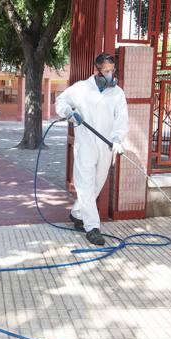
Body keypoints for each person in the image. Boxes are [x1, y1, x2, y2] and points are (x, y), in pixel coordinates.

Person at [55, 53, 129, 246]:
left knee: (97, 183)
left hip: (106, 146)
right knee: (85, 185)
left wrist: (118, 139)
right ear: (97, 70)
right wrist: (70, 113)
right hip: (85, 144)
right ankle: (92, 227)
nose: (111, 74)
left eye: (112, 70)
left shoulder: (117, 93)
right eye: (106, 71)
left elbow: (121, 119)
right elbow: (60, 102)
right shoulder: (81, 88)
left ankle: (77, 214)